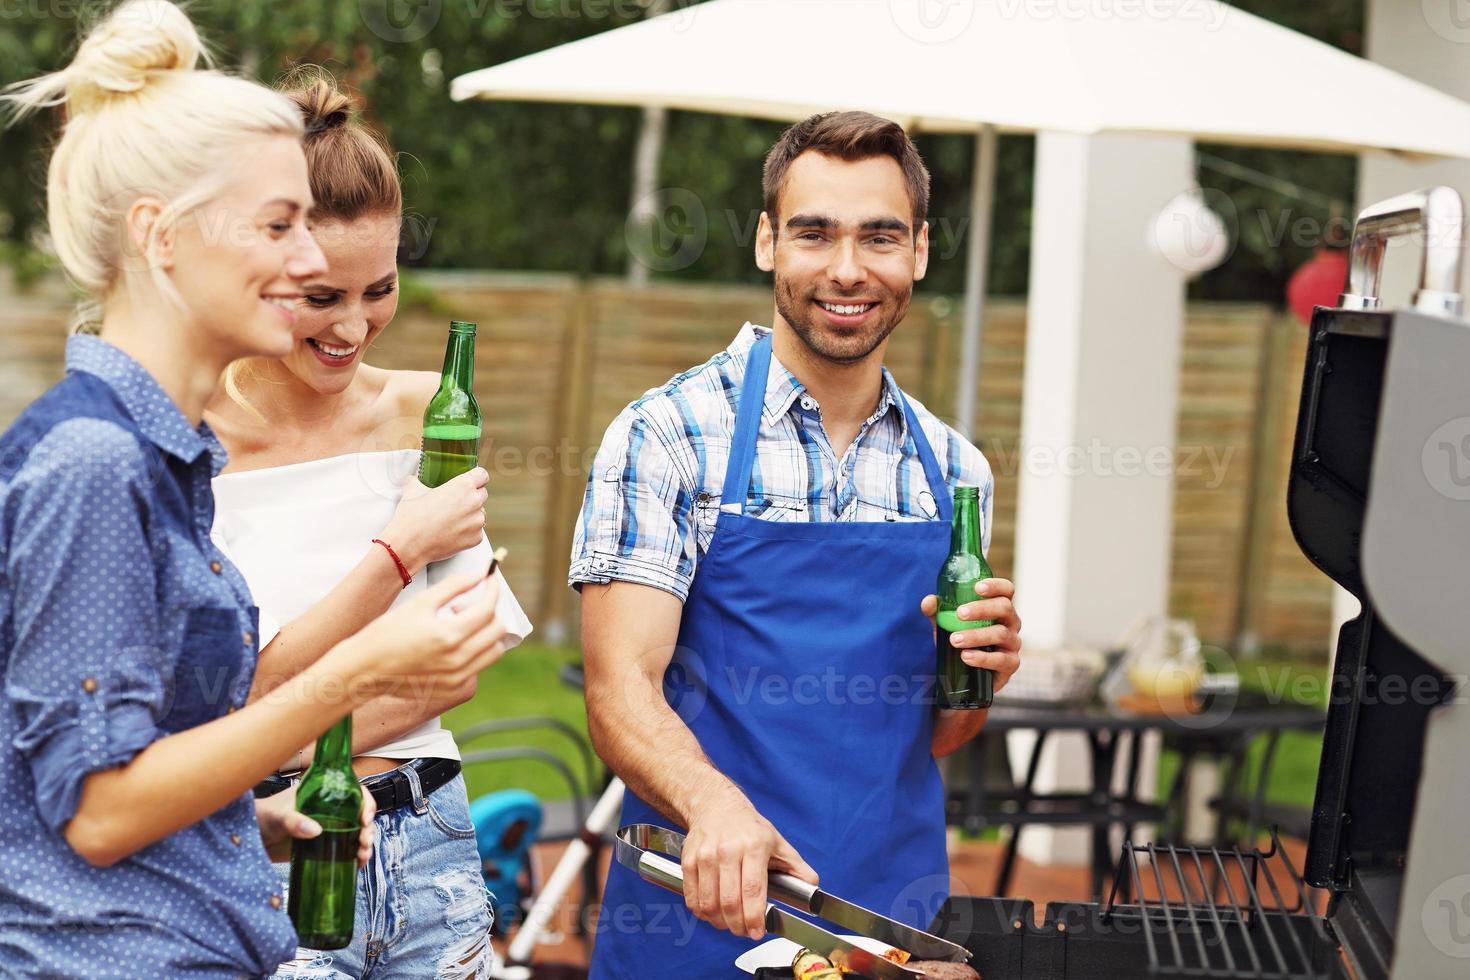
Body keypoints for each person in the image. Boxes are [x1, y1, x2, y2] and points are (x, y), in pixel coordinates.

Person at [0, 3, 508, 977]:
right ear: (163, 239)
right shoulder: (96, 462)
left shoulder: (158, 455)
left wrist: (251, 817)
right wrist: (360, 671)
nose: (313, 263)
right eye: (279, 225)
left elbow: (146, 745)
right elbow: (99, 811)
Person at [572, 111, 1024, 978]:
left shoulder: (954, 472)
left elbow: (930, 736)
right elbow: (618, 689)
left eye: (880, 237)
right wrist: (712, 805)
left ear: (920, 252)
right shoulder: (668, 437)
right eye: (815, 233)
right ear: (767, 242)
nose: (848, 269)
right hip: (699, 917)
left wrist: (981, 682)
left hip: (882, 933)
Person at [204, 74, 531, 979]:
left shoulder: (430, 409)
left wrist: (275, 731)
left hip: (431, 835)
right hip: (275, 844)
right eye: (321, 298)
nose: (356, 328)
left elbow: (464, 658)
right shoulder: (191, 445)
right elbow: (213, 697)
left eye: (379, 289)